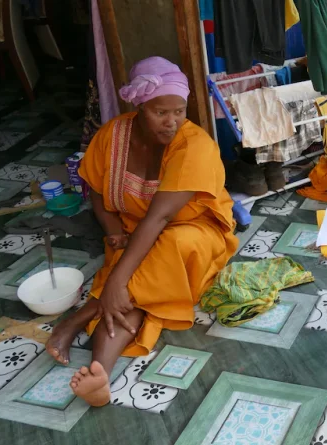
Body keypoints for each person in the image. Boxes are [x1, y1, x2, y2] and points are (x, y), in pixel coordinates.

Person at [45, 57, 238, 407]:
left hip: (193, 233)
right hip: (136, 234)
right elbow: (98, 194)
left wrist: (117, 281)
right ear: (139, 107)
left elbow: (161, 218)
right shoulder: (113, 135)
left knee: (132, 278)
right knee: (129, 297)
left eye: (179, 111)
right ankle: (100, 373)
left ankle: (76, 320)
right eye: (160, 112)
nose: (172, 121)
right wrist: (113, 229)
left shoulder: (195, 145)